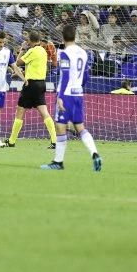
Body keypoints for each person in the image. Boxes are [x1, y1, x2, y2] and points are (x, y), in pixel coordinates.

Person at [41, 25, 102, 171]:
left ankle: (58, 162)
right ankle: (95, 153)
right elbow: (86, 75)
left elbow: (66, 75)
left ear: (63, 37)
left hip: (66, 94)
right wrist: (79, 87)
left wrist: (61, 96)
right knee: (80, 127)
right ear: (75, 36)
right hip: (78, 94)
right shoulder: (83, 52)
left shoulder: (64, 53)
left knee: (60, 127)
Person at [4, 30, 58, 149]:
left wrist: (22, 49)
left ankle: (12, 141)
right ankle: (54, 141)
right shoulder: (43, 51)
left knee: (20, 111)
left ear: (30, 41)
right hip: (41, 84)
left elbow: (17, 63)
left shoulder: (32, 51)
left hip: (31, 84)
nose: (26, 41)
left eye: (27, 40)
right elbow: (34, 66)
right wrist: (24, 72)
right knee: (44, 112)